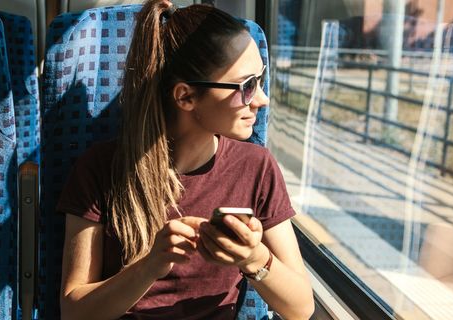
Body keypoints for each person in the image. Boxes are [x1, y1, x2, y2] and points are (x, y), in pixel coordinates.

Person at [57, 0, 315, 319]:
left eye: (261, 80)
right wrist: (149, 266)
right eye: (247, 87)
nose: (263, 100)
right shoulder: (100, 168)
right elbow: (73, 311)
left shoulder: (256, 167)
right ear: (186, 97)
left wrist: (255, 258)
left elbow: (301, 308)